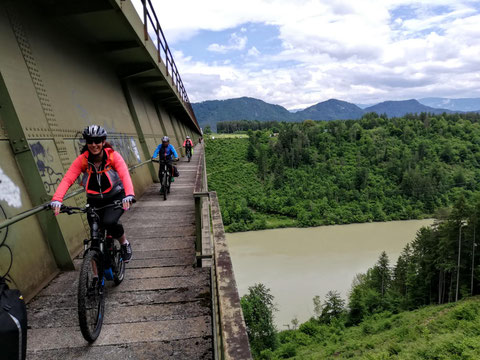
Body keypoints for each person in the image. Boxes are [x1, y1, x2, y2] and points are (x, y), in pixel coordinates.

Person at [50, 125, 135, 262]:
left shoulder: (113, 157)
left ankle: (124, 243)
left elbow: (125, 175)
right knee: (95, 236)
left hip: (115, 196)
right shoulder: (83, 160)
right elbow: (68, 179)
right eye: (90, 141)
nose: (93, 145)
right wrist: (57, 199)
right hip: (94, 200)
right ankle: (95, 277)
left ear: (103, 142)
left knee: (109, 221)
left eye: (97, 141)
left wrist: (129, 195)